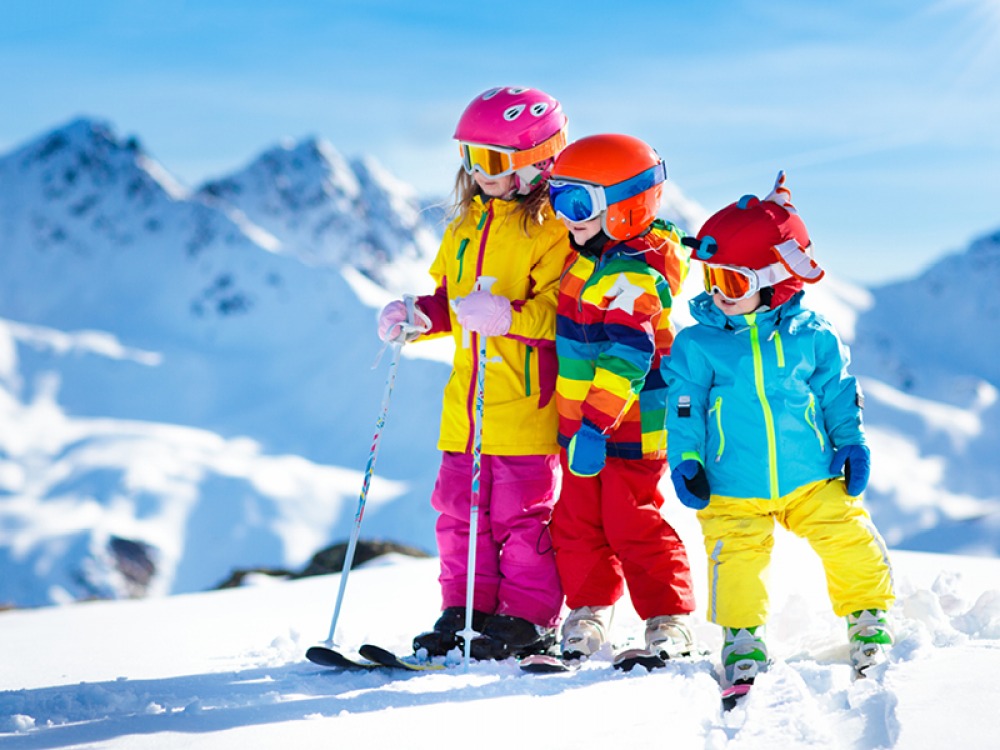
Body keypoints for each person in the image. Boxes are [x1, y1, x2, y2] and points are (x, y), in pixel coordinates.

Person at [664, 172, 895, 695]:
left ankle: (868, 618)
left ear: (776, 282)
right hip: (731, 481)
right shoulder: (698, 344)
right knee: (735, 558)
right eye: (713, 279)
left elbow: (838, 392)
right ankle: (743, 639)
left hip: (809, 472)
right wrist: (687, 460)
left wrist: (850, 442)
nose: (719, 294)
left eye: (734, 282)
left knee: (848, 538)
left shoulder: (812, 337)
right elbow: (685, 408)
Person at [377, 86, 571, 661]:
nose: (476, 172)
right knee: (459, 516)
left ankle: (528, 616)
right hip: (465, 408)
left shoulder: (554, 230)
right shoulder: (464, 226)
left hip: (524, 403)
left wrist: (509, 316)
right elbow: (451, 301)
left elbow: (564, 312)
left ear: (540, 159)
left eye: (490, 160)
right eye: (469, 157)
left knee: (521, 520)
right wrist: (420, 315)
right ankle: (465, 610)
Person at [545, 133, 698, 667]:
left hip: (627, 428)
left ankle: (668, 618)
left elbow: (626, 360)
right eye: (556, 197)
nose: (566, 215)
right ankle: (587, 609)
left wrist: (593, 426)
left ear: (627, 208)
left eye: (579, 202)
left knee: (632, 522)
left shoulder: (631, 274)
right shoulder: (589, 254)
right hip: (581, 426)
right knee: (577, 522)